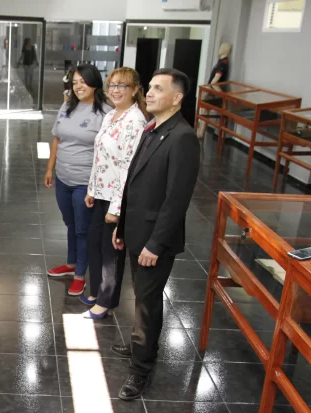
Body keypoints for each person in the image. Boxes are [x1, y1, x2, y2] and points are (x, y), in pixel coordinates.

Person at [111, 68, 200, 400]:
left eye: (157, 89)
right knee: (142, 297)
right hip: (136, 229)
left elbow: (177, 200)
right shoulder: (153, 128)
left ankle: (141, 369)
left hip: (154, 239)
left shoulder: (183, 137)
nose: (148, 93)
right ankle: (140, 344)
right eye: (148, 87)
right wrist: (121, 227)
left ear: (176, 98)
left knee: (148, 302)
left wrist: (155, 243)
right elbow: (134, 183)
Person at [81, 67, 149, 319]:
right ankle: (98, 292)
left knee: (111, 253)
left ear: (134, 90)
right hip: (101, 192)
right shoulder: (111, 115)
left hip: (115, 199)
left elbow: (127, 169)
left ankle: (106, 302)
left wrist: (116, 209)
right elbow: (100, 156)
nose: (116, 90)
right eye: (112, 85)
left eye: (122, 86)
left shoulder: (135, 121)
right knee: (95, 244)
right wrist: (92, 188)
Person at [45, 64, 113, 296]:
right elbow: (57, 139)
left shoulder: (105, 112)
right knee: (70, 223)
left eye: (83, 81)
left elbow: (107, 153)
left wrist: (95, 187)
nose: (78, 86)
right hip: (63, 177)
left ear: (95, 83)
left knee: (83, 229)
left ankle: (80, 275)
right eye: (74, 82)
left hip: (85, 182)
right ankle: (71, 263)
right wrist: (50, 168)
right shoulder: (67, 106)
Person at [197, 43, 231, 138]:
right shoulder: (220, 62)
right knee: (204, 111)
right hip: (210, 90)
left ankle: (201, 132)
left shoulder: (223, 64)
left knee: (205, 111)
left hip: (213, 92)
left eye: (222, 48)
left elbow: (214, 81)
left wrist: (214, 91)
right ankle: (201, 131)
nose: (219, 49)